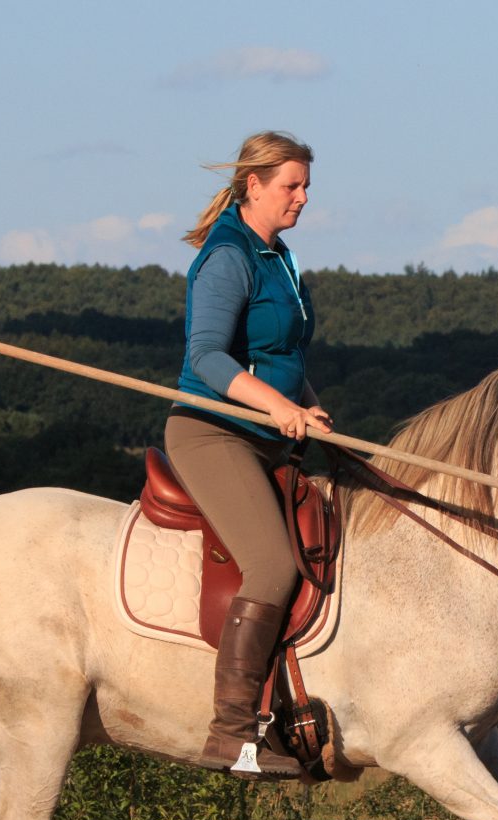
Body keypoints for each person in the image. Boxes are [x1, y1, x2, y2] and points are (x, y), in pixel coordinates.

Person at [168, 131, 332, 778]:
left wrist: (309, 407)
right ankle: (232, 733)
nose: (302, 198)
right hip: (215, 433)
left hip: (275, 432)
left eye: (306, 188)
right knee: (271, 563)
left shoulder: (280, 257)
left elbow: (286, 357)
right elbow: (206, 357)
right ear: (254, 185)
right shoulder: (228, 257)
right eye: (292, 186)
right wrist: (275, 407)